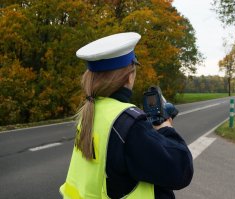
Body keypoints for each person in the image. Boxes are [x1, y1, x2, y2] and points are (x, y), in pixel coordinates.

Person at [60, 32, 193, 199]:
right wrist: (165, 128)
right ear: (129, 76)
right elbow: (181, 171)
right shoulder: (129, 124)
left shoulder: (90, 113)